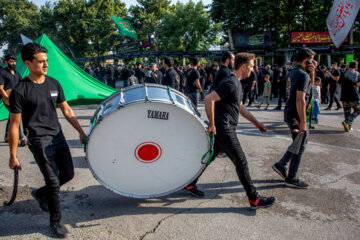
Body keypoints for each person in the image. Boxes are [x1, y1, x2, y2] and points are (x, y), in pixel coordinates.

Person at [8, 43, 87, 238]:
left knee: (68, 174)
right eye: (41, 62)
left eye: (47, 61)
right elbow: (14, 125)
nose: (46, 65)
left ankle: (41, 193)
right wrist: (13, 155)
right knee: (53, 182)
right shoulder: (20, 91)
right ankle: (56, 222)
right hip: (39, 141)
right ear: (27, 63)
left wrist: (80, 131)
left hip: (58, 137)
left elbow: (66, 110)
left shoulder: (54, 83)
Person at [185, 52, 275, 209]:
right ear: (243, 66)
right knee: (241, 161)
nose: (253, 70)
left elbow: (239, 106)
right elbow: (209, 99)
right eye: (252, 67)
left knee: (209, 157)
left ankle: (190, 183)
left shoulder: (237, 83)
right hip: (224, 128)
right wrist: (212, 124)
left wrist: (256, 123)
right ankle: (254, 199)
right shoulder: (231, 82)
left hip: (223, 128)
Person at [272, 47, 316, 189]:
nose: (314, 62)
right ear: (307, 59)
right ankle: (292, 177)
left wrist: (312, 72)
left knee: (298, 143)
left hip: (291, 113)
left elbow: (310, 87)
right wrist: (303, 121)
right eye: (313, 59)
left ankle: (282, 164)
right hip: (298, 115)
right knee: (300, 146)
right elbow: (300, 99)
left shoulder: (294, 72)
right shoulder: (302, 75)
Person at [0, 53, 27, 145]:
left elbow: (22, 85)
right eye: (11, 61)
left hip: (17, 98)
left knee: (13, 116)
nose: (13, 63)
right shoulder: (2, 73)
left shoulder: (17, 73)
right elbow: (0, 88)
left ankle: (7, 136)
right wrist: (7, 97)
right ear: (6, 62)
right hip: (8, 100)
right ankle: (22, 138)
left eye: (14, 61)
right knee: (16, 116)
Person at [338, 61, 360, 132]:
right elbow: (358, 84)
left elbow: (339, 85)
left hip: (344, 96)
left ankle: (348, 127)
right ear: (356, 67)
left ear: (348, 66)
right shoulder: (357, 74)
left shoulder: (343, 73)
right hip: (354, 96)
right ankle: (347, 121)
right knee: (358, 110)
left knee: (347, 112)